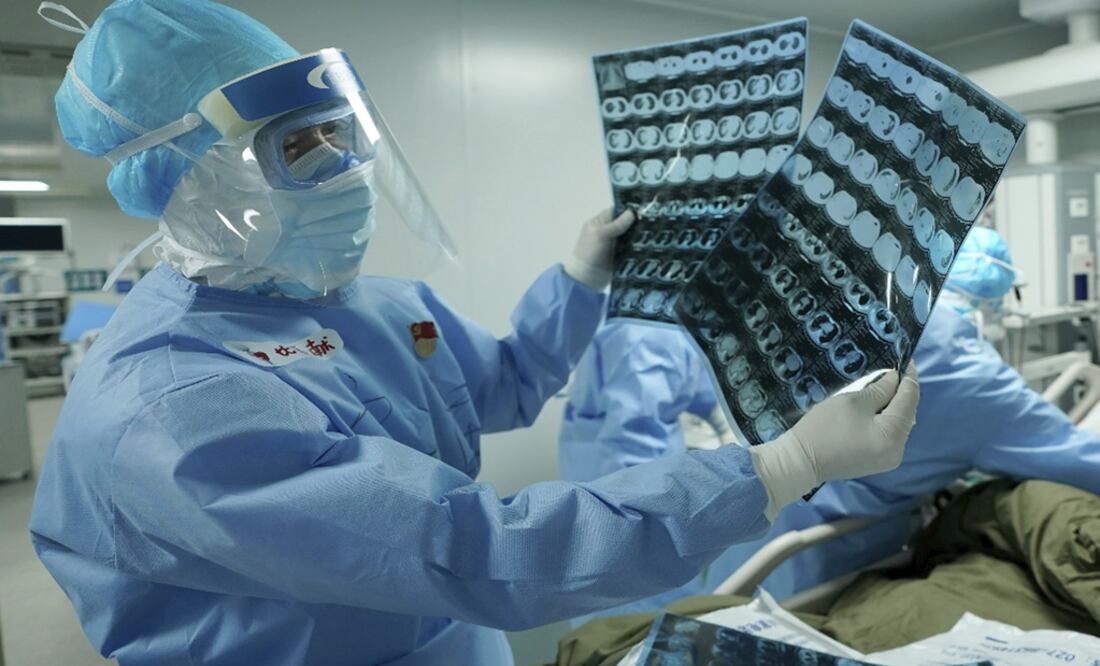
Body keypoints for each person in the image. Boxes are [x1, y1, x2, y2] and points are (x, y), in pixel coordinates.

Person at [28, 1, 918, 664]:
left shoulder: (366, 306)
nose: (352, 174)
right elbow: (471, 546)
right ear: (191, 183)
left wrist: (579, 281)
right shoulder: (175, 406)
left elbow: (503, 383)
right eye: (304, 150)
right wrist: (781, 468)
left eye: (348, 136)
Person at [708, 226, 1100, 601]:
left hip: (747, 503)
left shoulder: (860, 311)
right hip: (828, 545)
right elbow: (1075, 461)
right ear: (992, 298)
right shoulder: (972, 378)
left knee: (714, 621)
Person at [559, 320, 731, 483]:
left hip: (600, 452)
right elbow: (636, 435)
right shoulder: (649, 334)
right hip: (620, 468)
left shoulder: (667, 318)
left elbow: (689, 380)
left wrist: (720, 419)